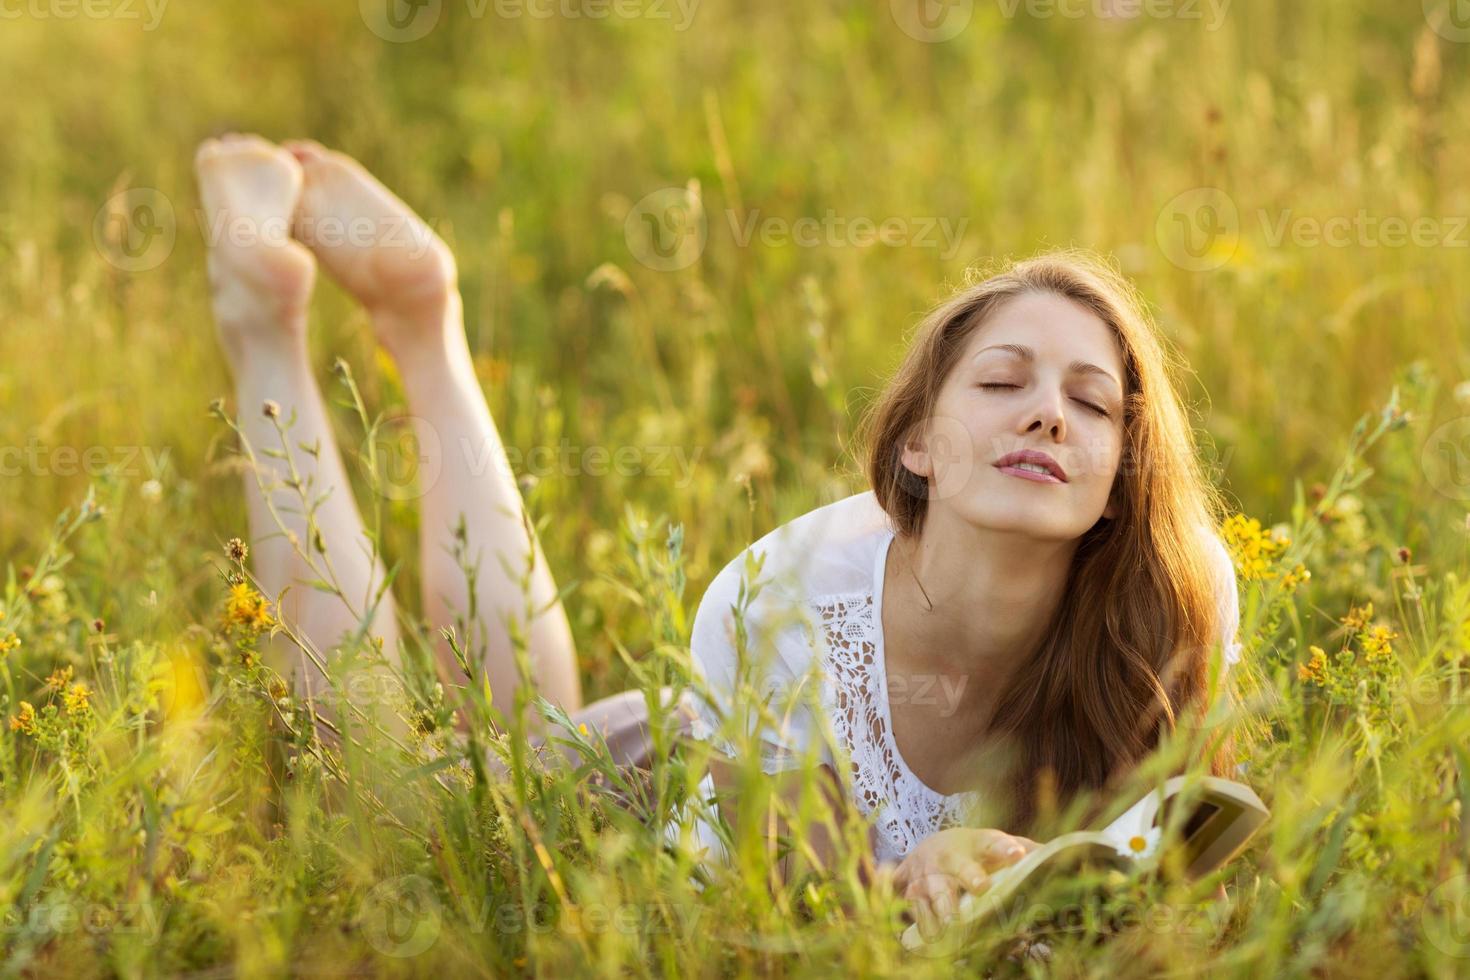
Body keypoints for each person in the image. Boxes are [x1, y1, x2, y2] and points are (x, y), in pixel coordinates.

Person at [194, 134, 1244, 943]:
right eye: (1004, 382)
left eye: (1094, 402)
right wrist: (912, 877)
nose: (1049, 413)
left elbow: (1160, 875)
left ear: (1118, 480)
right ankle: (272, 323)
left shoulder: (1172, 596)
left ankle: (420, 313)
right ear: (918, 441)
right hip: (667, 797)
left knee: (511, 736)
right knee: (376, 796)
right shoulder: (791, 597)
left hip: (704, 763)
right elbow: (768, 926)